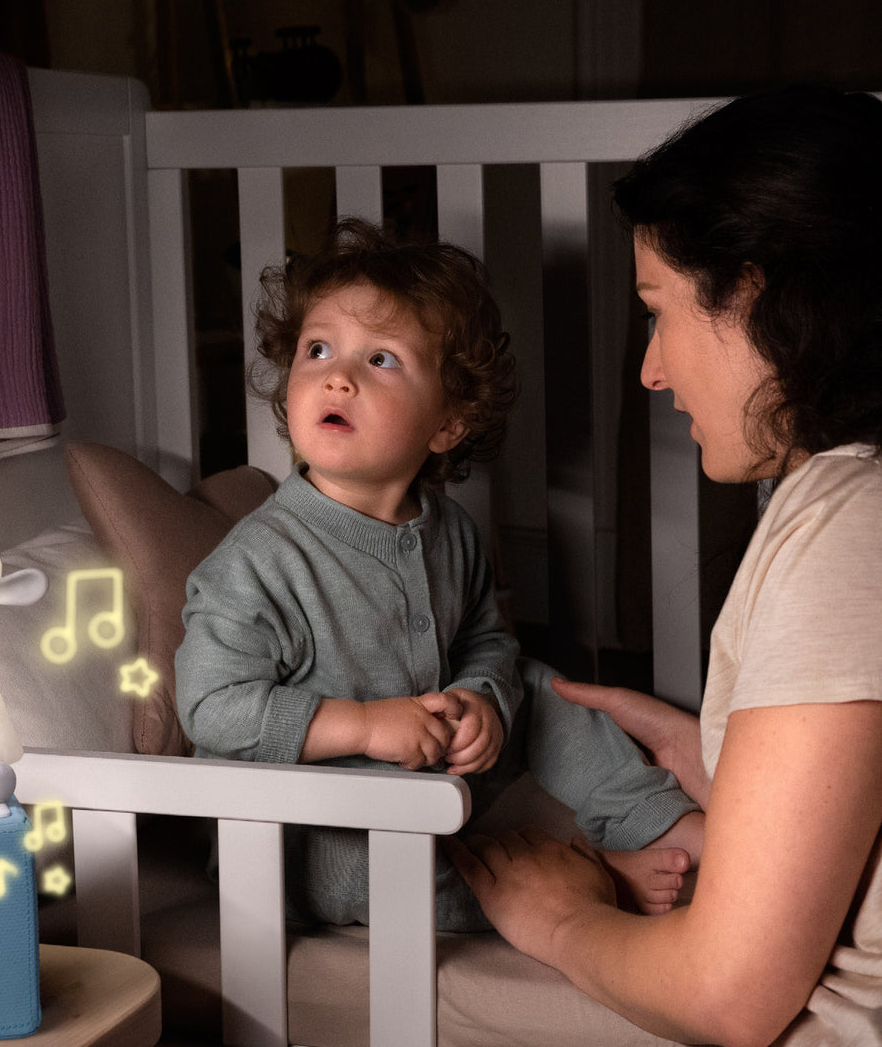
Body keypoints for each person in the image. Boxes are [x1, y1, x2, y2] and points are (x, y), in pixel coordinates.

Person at [445, 85, 882, 1047]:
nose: (647, 369)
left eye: (658, 311)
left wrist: (556, 918)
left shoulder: (849, 516)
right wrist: (713, 751)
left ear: (755, 292)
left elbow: (731, 993)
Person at [175, 218, 703, 932]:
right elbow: (212, 709)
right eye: (318, 349)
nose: (337, 375)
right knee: (384, 879)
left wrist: (481, 701)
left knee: (544, 692)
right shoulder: (257, 560)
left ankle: (653, 821)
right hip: (309, 828)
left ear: (448, 424)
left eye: (381, 360)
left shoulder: (448, 530)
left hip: (432, 767)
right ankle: (589, 880)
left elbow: (488, 639)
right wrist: (362, 726)